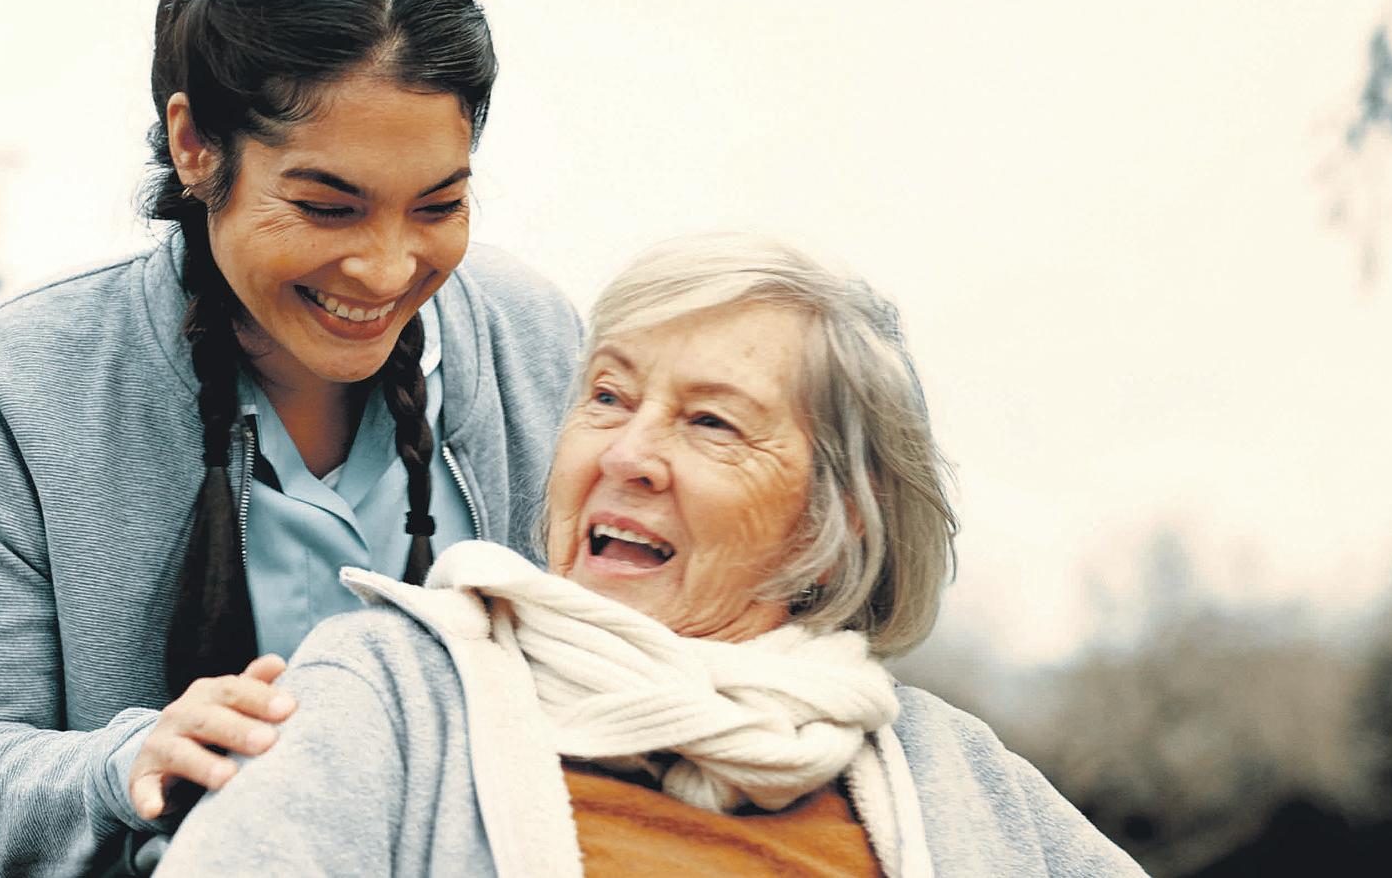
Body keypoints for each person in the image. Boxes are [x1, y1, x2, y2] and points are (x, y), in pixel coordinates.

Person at [0, 0, 582, 875]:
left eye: (438, 205)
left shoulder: (533, 337)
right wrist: (125, 765)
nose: (386, 269)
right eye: (328, 207)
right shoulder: (10, 381)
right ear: (196, 145)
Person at [155, 234, 1147, 877]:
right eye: (608, 396)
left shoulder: (950, 772)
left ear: (837, 519)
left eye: (711, 422)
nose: (627, 454)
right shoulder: (390, 698)